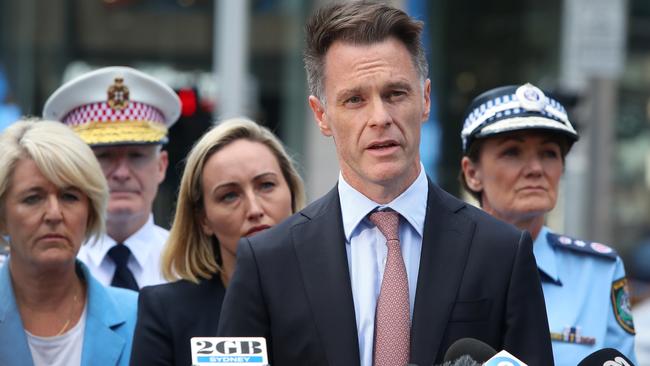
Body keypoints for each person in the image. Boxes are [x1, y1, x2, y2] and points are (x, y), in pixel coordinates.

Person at [217, 2, 554, 366]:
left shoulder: (502, 252)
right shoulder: (268, 263)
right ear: (321, 115)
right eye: (354, 99)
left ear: (425, 99)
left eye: (395, 94)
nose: (380, 118)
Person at [459, 82, 637, 365]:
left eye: (549, 153)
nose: (536, 169)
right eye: (512, 152)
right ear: (472, 174)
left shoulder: (596, 271)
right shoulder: (441, 264)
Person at [129, 118, 306, 366]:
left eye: (266, 185)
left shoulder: (338, 291)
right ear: (204, 219)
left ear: (292, 192)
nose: (254, 209)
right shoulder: (166, 311)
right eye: (229, 195)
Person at [0, 119, 137, 366]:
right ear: (2, 219)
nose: (54, 214)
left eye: (69, 196)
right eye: (33, 198)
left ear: (91, 212)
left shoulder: (138, 317)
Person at [42, 66, 181, 291]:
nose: (122, 173)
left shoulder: (190, 266)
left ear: (161, 166)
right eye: (104, 157)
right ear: (76, 168)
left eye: (136, 156)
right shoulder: (49, 265)